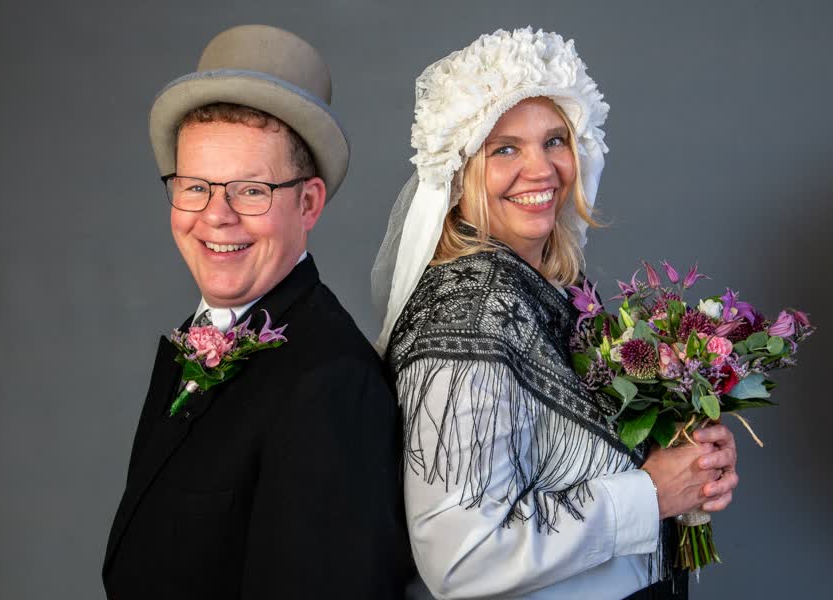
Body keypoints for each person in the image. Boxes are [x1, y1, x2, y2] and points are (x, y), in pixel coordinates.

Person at [372, 28, 739, 600]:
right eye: (505, 149)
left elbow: (571, 453)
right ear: (458, 171)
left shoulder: (552, 285)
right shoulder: (469, 312)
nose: (541, 169)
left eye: (555, 141)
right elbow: (461, 557)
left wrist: (684, 456)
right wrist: (650, 495)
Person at [103, 25, 413, 599]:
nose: (215, 215)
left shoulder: (332, 386)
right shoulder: (195, 338)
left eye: (250, 190)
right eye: (194, 186)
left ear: (308, 203)